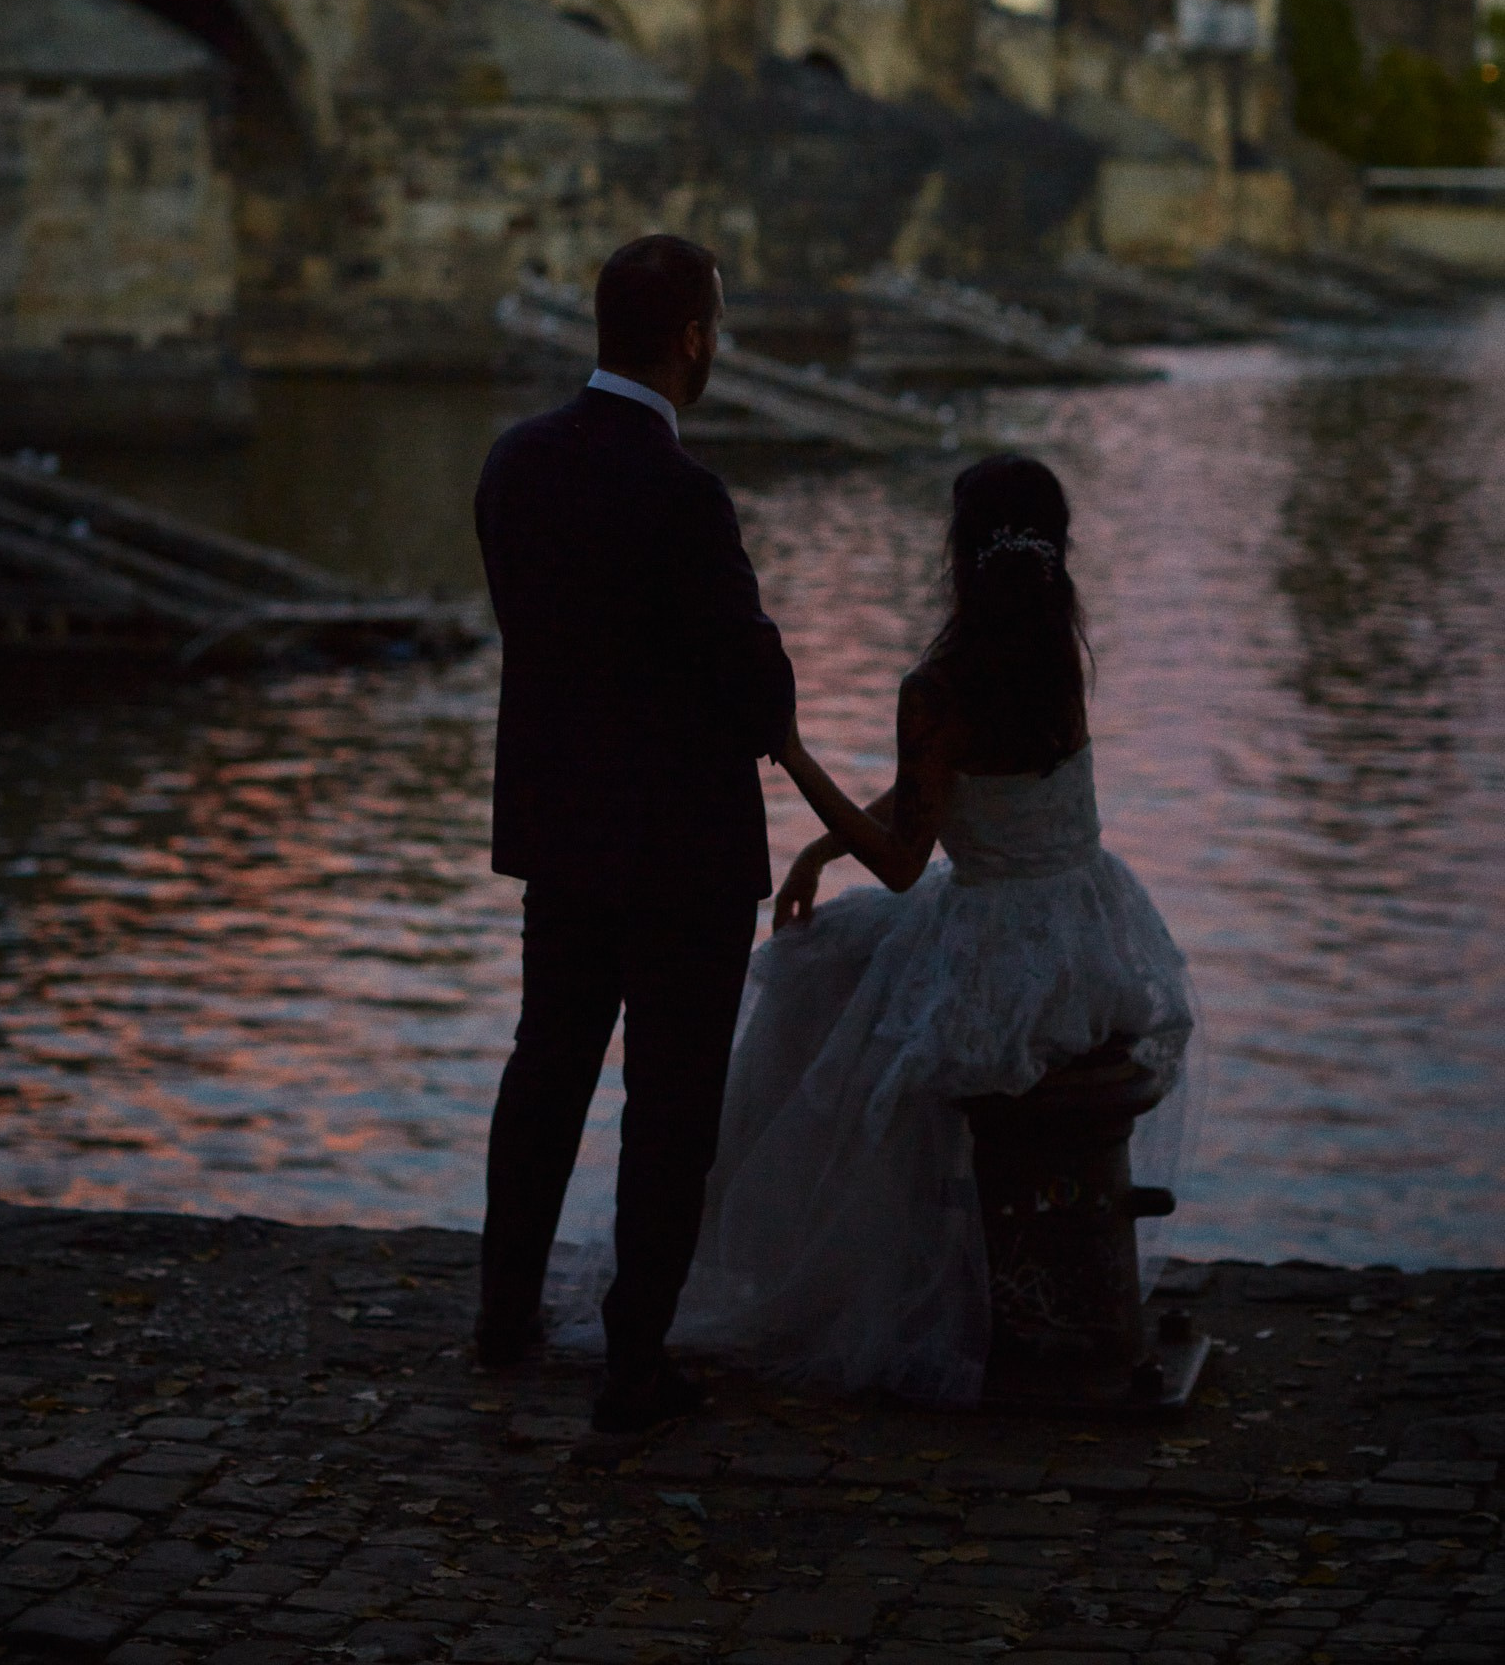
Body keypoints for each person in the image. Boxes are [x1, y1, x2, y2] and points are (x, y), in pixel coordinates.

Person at [676, 451, 1194, 1406]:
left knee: (808, 986)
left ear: (958, 557)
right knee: (842, 963)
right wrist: (823, 851)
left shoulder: (939, 686)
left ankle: (827, 1265)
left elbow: (906, 859)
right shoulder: (1054, 655)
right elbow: (950, 794)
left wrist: (789, 753)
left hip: (999, 952)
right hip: (1091, 932)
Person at [474, 236, 796, 1433]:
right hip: (682, 854)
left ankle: (502, 1310)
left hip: (560, 833)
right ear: (695, 341)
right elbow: (759, 695)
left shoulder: (516, 463)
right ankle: (634, 1358)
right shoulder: (683, 494)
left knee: (544, 1069)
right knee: (668, 1106)